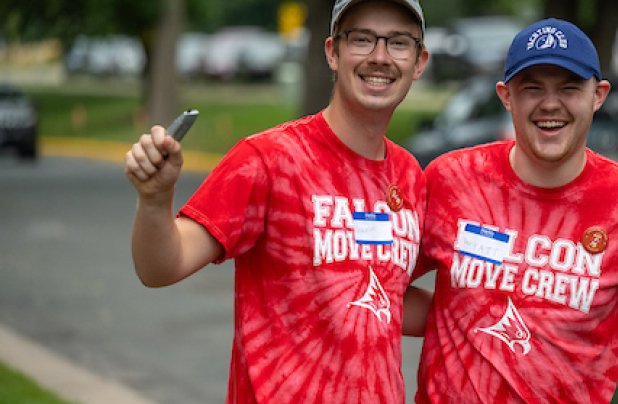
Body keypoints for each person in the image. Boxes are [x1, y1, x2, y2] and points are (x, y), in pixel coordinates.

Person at [124, 0, 429, 402]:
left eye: (398, 43)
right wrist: (154, 199)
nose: (379, 57)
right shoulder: (268, 159)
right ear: (332, 53)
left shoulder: (409, 176)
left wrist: (501, 305)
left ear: (419, 62)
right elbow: (161, 266)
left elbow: (381, 295)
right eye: (362, 39)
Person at [405, 18, 618, 404]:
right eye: (532, 88)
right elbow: (382, 285)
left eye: (569, 88)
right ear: (506, 96)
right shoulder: (451, 180)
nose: (551, 104)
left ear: (598, 95)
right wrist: (459, 314)